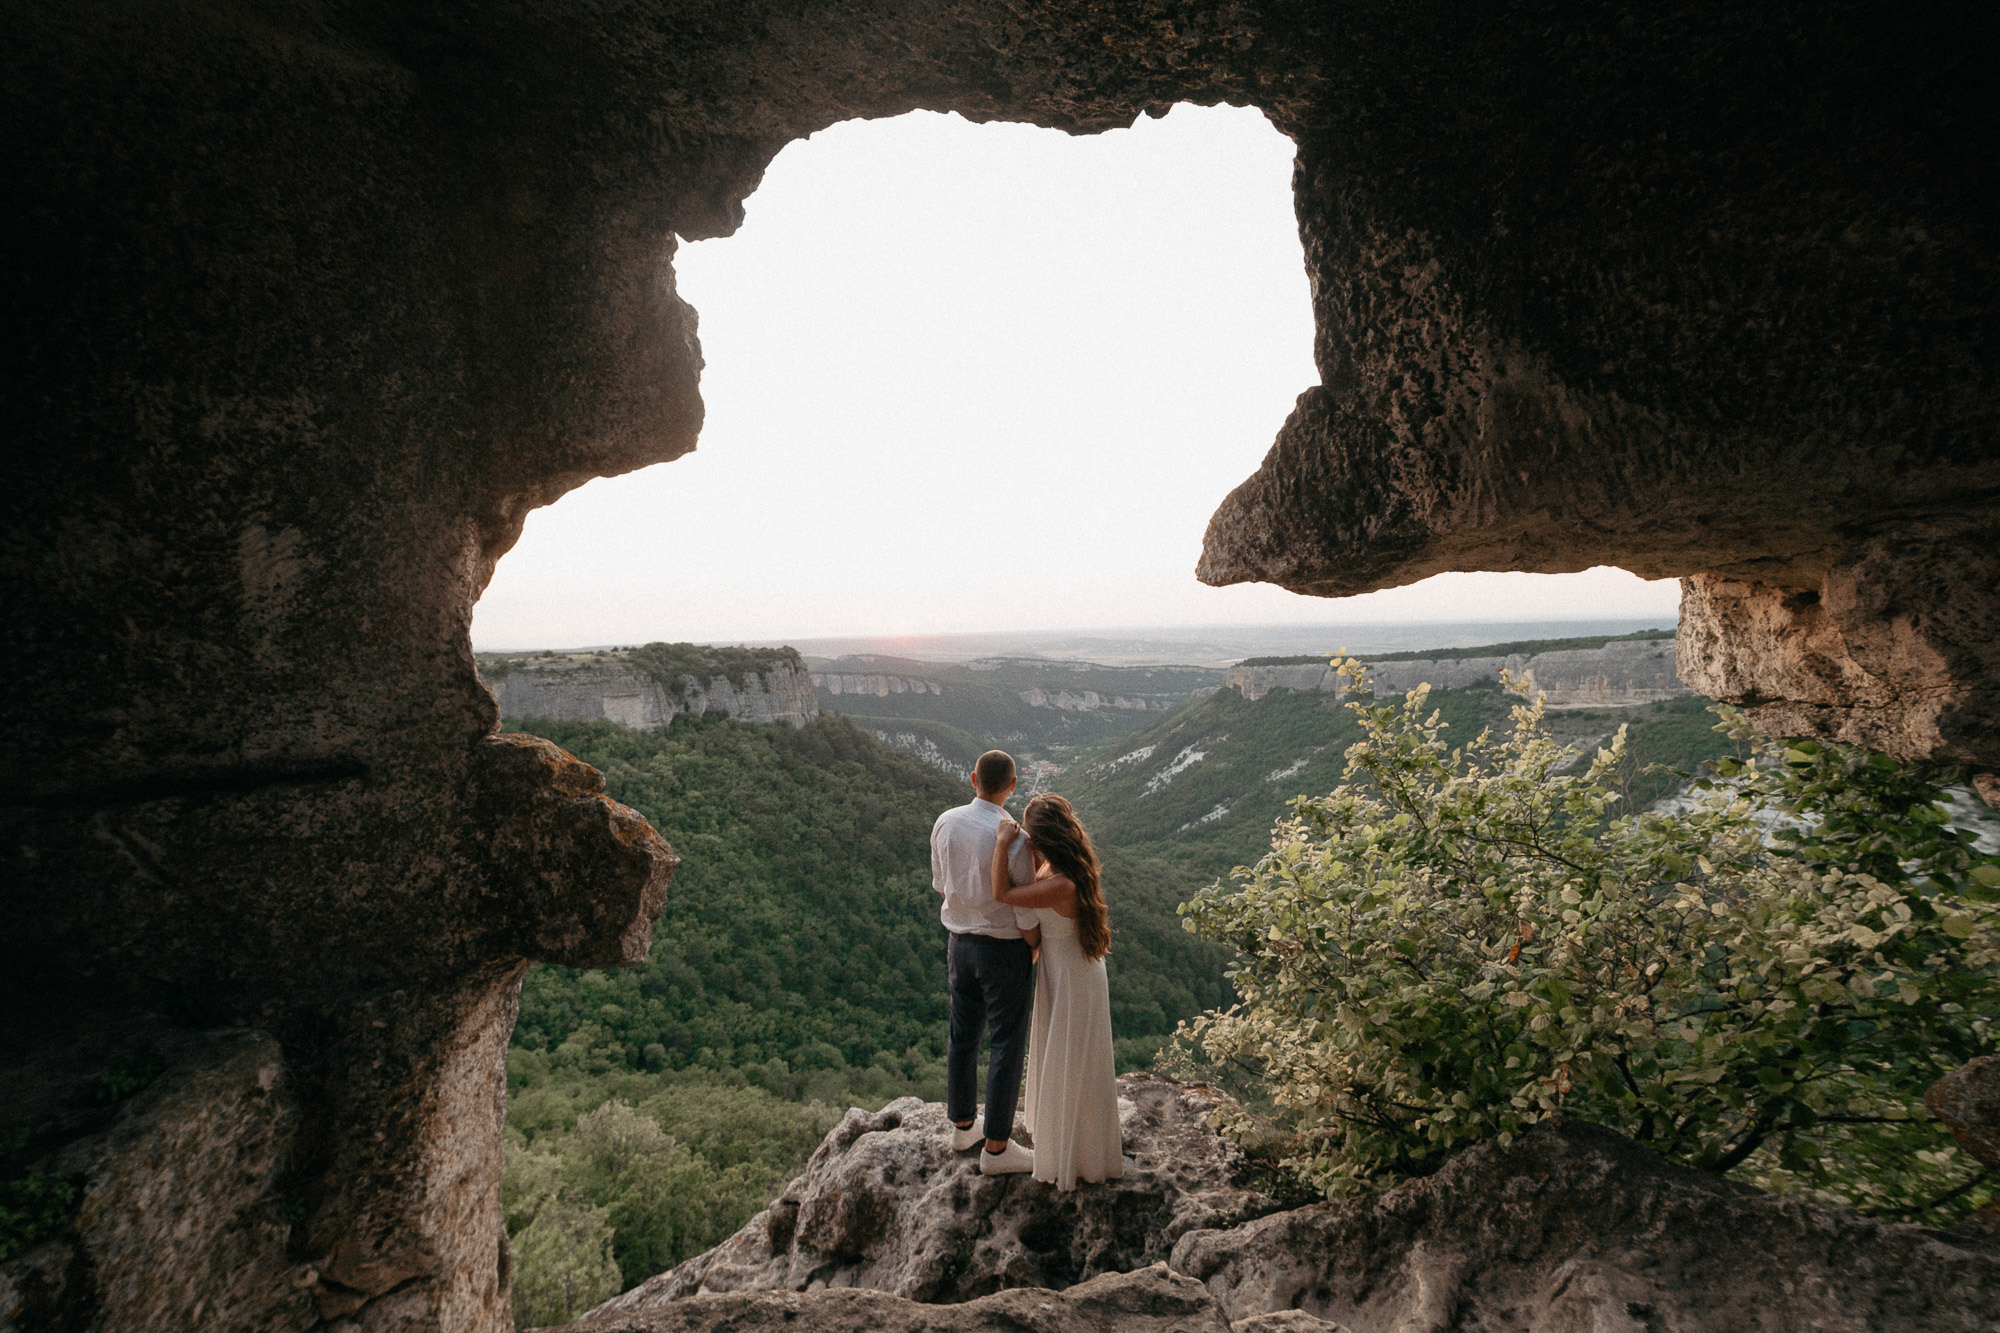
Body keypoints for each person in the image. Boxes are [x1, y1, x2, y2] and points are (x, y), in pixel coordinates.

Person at [992, 793, 1124, 1190]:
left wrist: (1002, 845)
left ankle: (1075, 1154)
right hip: (1069, 969)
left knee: (1069, 1057)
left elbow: (1003, 894)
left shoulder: (1061, 883)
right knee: (1068, 1056)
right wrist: (1031, 853)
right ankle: (1077, 1144)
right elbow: (1035, 882)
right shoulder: (1065, 866)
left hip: (1070, 975)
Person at [931, 749, 1041, 1175]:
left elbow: (942, 886)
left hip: (959, 944)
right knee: (1006, 1044)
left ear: (972, 777)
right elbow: (1024, 910)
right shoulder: (1014, 839)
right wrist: (1033, 948)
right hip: (1003, 950)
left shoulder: (946, 821)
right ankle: (996, 1147)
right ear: (1012, 785)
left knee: (963, 1035)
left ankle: (962, 1125)